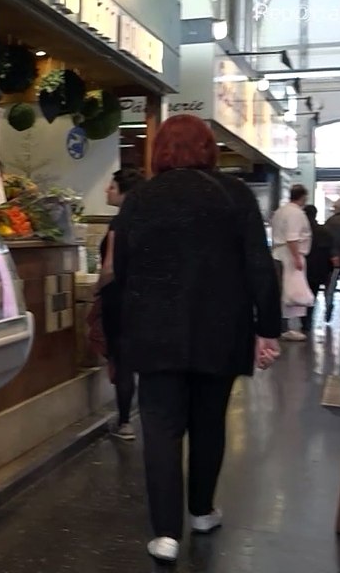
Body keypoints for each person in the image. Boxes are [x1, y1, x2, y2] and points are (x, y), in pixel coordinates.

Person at [111, 115, 281, 563]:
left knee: (162, 428)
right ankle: (202, 511)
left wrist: (122, 329)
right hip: (220, 330)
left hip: (153, 331)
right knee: (209, 422)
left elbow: (121, 269)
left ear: (160, 151)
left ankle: (165, 534)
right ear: (207, 149)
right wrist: (268, 328)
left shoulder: (141, 198)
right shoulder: (235, 194)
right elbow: (259, 266)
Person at [97, 168, 144, 441]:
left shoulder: (119, 223)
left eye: (112, 187)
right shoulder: (149, 220)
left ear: (124, 191)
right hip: (143, 299)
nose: (107, 190)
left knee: (123, 360)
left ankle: (125, 421)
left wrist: (96, 288)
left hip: (118, 299)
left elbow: (110, 268)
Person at [270, 184, 312, 341]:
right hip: (288, 254)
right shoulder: (295, 213)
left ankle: (281, 326)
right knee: (289, 292)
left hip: (278, 253)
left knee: (281, 292)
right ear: (303, 197)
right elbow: (292, 238)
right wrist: (296, 258)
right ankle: (284, 328)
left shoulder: (280, 211)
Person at [301, 204, 333, 336]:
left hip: (303, 267)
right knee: (313, 294)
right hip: (320, 268)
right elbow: (330, 250)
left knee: (301, 293)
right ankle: (309, 321)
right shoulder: (324, 231)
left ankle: (303, 320)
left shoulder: (302, 231)